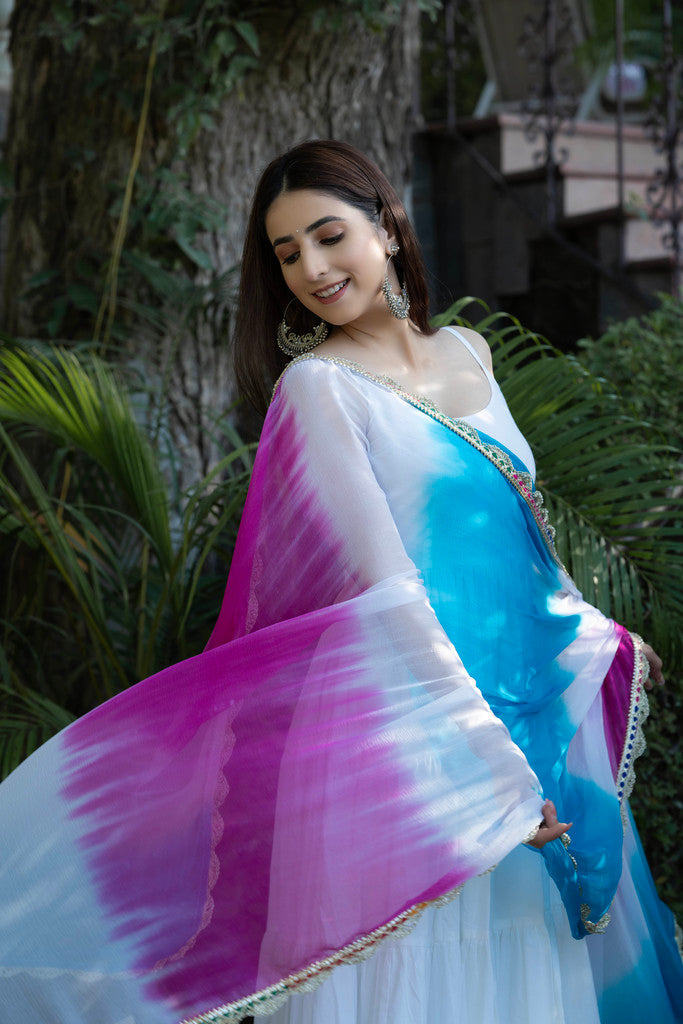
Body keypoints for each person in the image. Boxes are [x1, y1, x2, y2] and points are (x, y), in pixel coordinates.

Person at [0, 140, 680, 1024]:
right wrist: (488, 777)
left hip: (526, 717)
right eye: (287, 254)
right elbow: (386, 594)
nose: (313, 269)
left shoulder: (469, 352)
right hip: (406, 746)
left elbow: (518, 555)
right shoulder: (320, 388)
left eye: (329, 236)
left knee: (536, 967)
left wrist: (598, 634)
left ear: (387, 228)